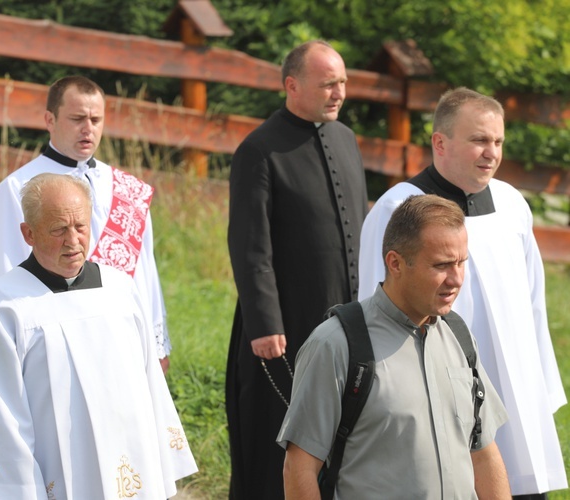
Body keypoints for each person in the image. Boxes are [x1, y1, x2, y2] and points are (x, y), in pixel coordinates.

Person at [358, 88, 567, 498]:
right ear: (440, 142)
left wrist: (540, 386)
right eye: (479, 140)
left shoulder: (511, 204)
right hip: (439, 391)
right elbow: (374, 308)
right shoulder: (399, 208)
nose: (491, 152)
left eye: (498, 142)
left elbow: (534, 303)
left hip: (516, 394)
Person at [0, 173, 197, 498]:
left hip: (133, 472)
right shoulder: (3, 305)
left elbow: (151, 385)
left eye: (80, 227)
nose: (73, 241)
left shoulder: (121, 290)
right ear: (28, 233)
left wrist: (162, 467)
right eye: (58, 229)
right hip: (59, 477)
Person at [279, 194, 511, 498]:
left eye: (461, 263)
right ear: (395, 263)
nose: (456, 279)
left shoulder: (459, 336)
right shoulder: (335, 344)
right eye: (441, 265)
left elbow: (483, 453)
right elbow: (299, 468)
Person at [226, 40, 368, 498]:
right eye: (328, 84)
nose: (339, 93)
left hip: (346, 324)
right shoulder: (259, 150)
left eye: (343, 82)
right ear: (292, 85)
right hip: (284, 332)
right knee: (278, 446)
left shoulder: (346, 139)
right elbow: (250, 247)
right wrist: (266, 325)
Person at [0, 75, 171, 372]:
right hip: (57, 344)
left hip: (126, 340)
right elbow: (4, 276)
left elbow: (146, 275)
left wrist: (156, 345)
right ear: (50, 119)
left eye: (96, 119)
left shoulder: (128, 189)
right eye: (77, 118)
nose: (88, 129)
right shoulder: (17, 189)